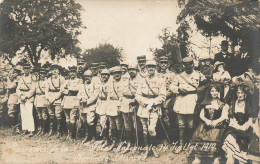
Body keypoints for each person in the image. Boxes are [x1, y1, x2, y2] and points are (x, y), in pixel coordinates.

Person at [170, 57, 206, 153]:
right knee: (181, 124)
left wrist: (200, 92)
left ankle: (191, 145)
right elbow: (171, 86)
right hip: (181, 100)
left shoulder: (199, 75)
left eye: (190, 66)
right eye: (186, 66)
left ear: (193, 65)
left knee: (191, 124)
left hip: (193, 100)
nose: (188, 68)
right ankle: (181, 145)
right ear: (183, 66)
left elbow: (205, 84)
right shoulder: (179, 76)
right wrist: (178, 89)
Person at [191, 83, 229, 164]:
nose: (214, 93)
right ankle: (198, 157)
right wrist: (206, 120)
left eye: (216, 91)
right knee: (199, 134)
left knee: (215, 135)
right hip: (206, 123)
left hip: (217, 123)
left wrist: (215, 121)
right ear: (209, 92)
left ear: (219, 92)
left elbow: (224, 116)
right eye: (212, 91)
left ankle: (216, 157)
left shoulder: (222, 103)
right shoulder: (206, 102)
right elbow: (201, 115)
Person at [135, 60, 166, 159]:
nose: (151, 69)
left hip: (154, 107)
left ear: (155, 68)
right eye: (149, 67)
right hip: (143, 107)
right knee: (144, 129)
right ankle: (147, 148)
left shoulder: (160, 80)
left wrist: (152, 102)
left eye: (153, 67)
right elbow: (138, 94)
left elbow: (162, 96)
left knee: (151, 129)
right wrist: (144, 102)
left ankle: (154, 147)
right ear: (146, 68)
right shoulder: (142, 80)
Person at [222, 82, 253, 164]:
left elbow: (250, 119)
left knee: (241, 141)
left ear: (245, 94)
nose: (240, 95)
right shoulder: (233, 103)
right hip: (234, 127)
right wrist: (236, 126)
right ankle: (230, 160)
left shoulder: (248, 104)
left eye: (242, 93)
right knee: (230, 137)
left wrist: (244, 127)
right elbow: (232, 118)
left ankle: (240, 160)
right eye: (238, 93)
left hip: (245, 129)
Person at [119, 63, 142, 154]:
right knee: (127, 125)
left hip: (136, 104)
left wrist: (134, 100)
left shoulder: (141, 80)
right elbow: (122, 92)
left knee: (137, 125)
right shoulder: (126, 80)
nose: (131, 71)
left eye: (133, 69)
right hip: (126, 104)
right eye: (130, 70)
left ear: (137, 70)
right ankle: (129, 143)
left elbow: (141, 93)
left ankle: (138, 144)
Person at [105, 66, 124, 152]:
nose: (116, 74)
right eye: (114, 73)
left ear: (121, 74)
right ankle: (114, 142)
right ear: (112, 75)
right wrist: (106, 106)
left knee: (118, 124)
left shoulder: (123, 83)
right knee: (112, 124)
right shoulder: (110, 83)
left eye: (118, 73)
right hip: (110, 105)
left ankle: (121, 142)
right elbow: (108, 96)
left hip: (118, 104)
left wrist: (119, 106)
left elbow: (123, 96)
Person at [158, 56, 177, 143]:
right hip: (158, 99)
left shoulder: (172, 75)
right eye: (162, 63)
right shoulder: (157, 74)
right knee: (159, 118)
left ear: (168, 64)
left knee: (168, 118)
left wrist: (166, 94)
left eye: (165, 63)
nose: (163, 64)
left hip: (168, 99)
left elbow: (173, 87)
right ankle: (162, 138)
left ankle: (171, 139)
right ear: (159, 64)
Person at [78, 70, 99, 144]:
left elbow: (95, 96)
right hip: (83, 106)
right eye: (86, 76)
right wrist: (81, 99)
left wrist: (87, 101)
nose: (87, 78)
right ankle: (87, 136)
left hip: (91, 105)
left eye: (89, 76)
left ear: (91, 77)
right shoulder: (82, 85)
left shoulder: (95, 85)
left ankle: (93, 136)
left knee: (90, 121)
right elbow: (79, 94)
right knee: (84, 121)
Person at [45, 63, 66, 137]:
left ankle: (59, 131)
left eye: (56, 69)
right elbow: (46, 90)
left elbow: (61, 90)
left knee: (58, 115)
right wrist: (48, 98)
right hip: (50, 97)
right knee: (51, 114)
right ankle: (51, 130)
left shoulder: (62, 79)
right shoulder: (48, 79)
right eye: (53, 69)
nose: (54, 71)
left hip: (57, 98)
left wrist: (54, 98)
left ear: (58, 71)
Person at [61, 66, 81, 140]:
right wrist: (68, 91)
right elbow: (62, 89)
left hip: (74, 100)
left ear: (76, 73)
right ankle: (69, 134)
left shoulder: (79, 80)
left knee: (73, 117)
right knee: (67, 118)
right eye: (71, 72)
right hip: (66, 100)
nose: (72, 73)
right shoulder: (66, 81)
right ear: (69, 73)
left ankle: (72, 135)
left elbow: (78, 89)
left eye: (74, 72)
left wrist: (68, 89)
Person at [16, 62, 36, 137]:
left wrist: (26, 96)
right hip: (21, 97)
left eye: (28, 68)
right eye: (25, 68)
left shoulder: (33, 77)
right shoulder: (20, 78)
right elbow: (17, 88)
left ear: (30, 69)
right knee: (23, 114)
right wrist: (21, 95)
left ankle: (31, 130)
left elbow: (33, 89)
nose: (26, 70)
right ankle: (25, 129)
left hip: (28, 97)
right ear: (23, 69)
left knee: (29, 114)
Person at [95, 69, 110, 148]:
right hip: (100, 104)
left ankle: (107, 139)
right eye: (102, 75)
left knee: (103, 122)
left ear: (109, 76)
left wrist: (107, 106)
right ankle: (104, 139)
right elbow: (98, 94)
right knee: (101, 122)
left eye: (106, 75)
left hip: (106, 104)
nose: (104, 76)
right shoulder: (100, 83)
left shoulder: (109, 84)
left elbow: (109, 97)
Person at [34, 68, 48, 136]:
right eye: (41, 73)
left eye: (43, 73)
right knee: (39, 115)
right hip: (37, 98)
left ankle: (44, 130)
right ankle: (40, 129)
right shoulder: (37, 82)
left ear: (45, 74)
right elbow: (33, 90)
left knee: (44, 115)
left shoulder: (47, 82)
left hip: (43, 98)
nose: (42, 75)